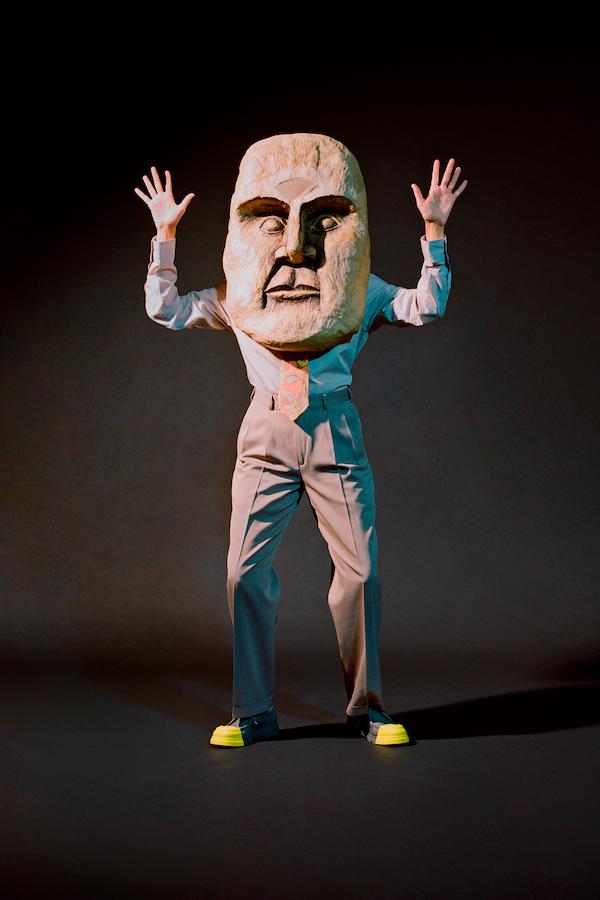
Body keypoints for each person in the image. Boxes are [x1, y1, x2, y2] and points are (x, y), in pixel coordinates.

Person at [135, 135, 467, 749]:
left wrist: (435, 232)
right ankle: (252, 712)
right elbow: (167, 308)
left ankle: (367, 710)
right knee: (243, 572)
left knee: (361, 573)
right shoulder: (238, 298)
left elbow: (427, 305)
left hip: (334, 430)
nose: (296, 246)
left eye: (324, 221)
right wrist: (165, 236)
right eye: (271, 222)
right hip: (265, 433)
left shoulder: (362, 291)